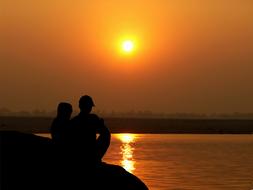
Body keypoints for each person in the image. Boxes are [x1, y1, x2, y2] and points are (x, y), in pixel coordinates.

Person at [69, 95, 111, 164]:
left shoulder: (74, 121)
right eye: (89, 106)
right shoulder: (93, 118)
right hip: (90, 153)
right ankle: (95, 159)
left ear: (79, 106)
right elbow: (104, 132)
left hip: (83, 153)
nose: (90, 108)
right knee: (106, 134)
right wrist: (102, 125)